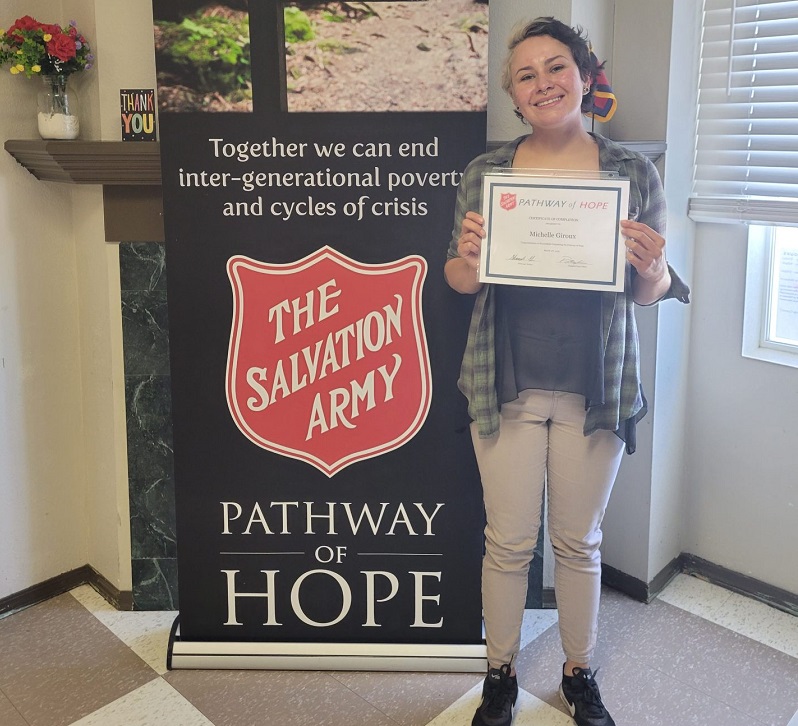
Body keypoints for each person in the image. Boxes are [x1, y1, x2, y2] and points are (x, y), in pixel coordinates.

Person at [444, 17, 690, 726]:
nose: (543, 82)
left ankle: (579, 674)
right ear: (514, 98)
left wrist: (656, 267)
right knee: (508, 540)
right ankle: (501, 672)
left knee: (579, 543)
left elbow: (647, 293)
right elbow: (461, 280)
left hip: (597, 382)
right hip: (506, 380)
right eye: (526, 75)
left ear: (585, 78)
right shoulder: (486, 175)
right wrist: (468, 253)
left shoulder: (631, 174)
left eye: (557, 68)